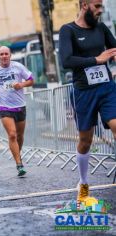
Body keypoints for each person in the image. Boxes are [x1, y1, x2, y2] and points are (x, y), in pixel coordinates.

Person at [59, 0, 116, 203]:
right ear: (84, 5)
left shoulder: (101, 28)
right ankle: (83, 183)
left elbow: (114, 48)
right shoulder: (68, 30)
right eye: (97, 6)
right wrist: (96, 60)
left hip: (107, 88)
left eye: (101, 6)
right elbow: (66, 62)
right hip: (84, 92)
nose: (100, 10)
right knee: (85, 141)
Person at [0, 46, 34, 177]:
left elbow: (31, 80)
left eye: (6, 54)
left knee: (19, 136)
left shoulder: (18, 67)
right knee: (12, 135)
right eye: (1, 54)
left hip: (19, 105)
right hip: (3, 106)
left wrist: (21, 85)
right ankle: (19, 164)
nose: (4, 56)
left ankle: (18, 154)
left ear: (10, 55)